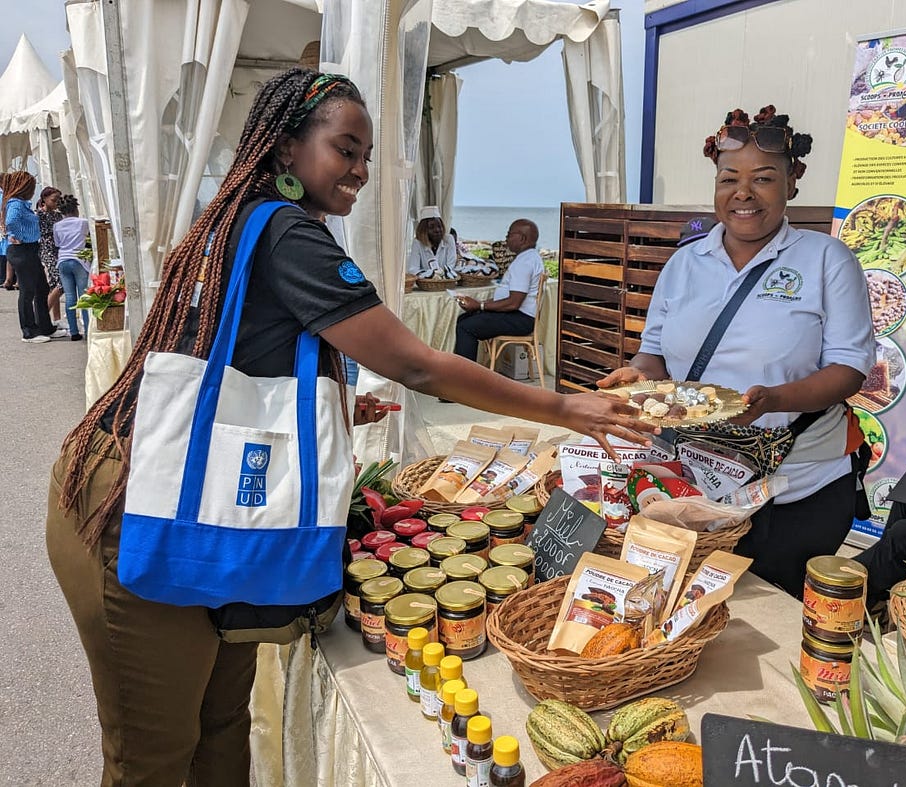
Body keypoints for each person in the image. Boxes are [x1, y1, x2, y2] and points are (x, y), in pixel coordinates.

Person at [46, 69, 653, 786]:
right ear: (285, 148)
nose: (362, 171)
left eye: (367, 155)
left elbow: (236, 348)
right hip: (135, 503)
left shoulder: (242, 216)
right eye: (346, 149)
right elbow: (419, 366)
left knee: (220, 728)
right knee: (152, 757)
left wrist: (328, 406)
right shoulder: (285, 232)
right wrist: (563, 405)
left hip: (197, 485)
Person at [598, 105, 876, 599]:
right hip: (695, 479)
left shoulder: (826, 260)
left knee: (778, 614)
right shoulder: (686, 263)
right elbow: (656, 353)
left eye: (763, 178)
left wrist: (774, 399)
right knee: (693, 607)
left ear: (794, 181)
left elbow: (849, 370)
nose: (743, 193)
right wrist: (636, 375)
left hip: (797, 484)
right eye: (729, 179)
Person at [453, 218, 544, 363]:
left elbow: (514, 303)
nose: (506, 238)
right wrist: (480, 305)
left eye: (509, 234)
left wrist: (480, 305)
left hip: (520, 319)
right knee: (465, 319)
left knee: (466, 327)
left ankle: (466, 378)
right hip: (518, 315)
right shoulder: (529, 257)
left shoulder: (525, 263)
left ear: (522, 238)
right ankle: (462, 369)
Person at [1, 172, 68, 343]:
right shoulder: (16, 203)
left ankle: (45, 326)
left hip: (31, 249)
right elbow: (11, 221)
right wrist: (19, 235)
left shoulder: (22, 203)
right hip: (22, 249)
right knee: (27, 290)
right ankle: (29, 331)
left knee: (41, 288)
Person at [53, 194, 91, 341]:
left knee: (70, 298)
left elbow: (57, 243)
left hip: (62, 260)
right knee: (84, 297)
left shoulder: (57, 225)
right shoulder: (83, 223)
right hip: (79, 260)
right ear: (76, 208)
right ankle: (88, 330)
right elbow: (88, 238)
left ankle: (74, 332)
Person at [36, 186, 65, 327]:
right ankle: (41, 318)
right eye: (54, 200)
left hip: (58, 249)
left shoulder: (58, 215)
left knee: (54, 284)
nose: (56, 203)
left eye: (58, 200)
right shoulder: (39, 215)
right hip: (47, 250)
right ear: (44, 199)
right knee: (61, 283)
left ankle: (56, 319)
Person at [406, 204, 456, 275]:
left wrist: (441, 275)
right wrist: (430, 276)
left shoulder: (449, 239)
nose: (437, 230)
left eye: (439, 226)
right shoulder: (417, 243)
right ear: (424, 230)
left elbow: (451, 266)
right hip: (425, 284)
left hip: (445, 282)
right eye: (431, 227)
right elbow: (413, 269)